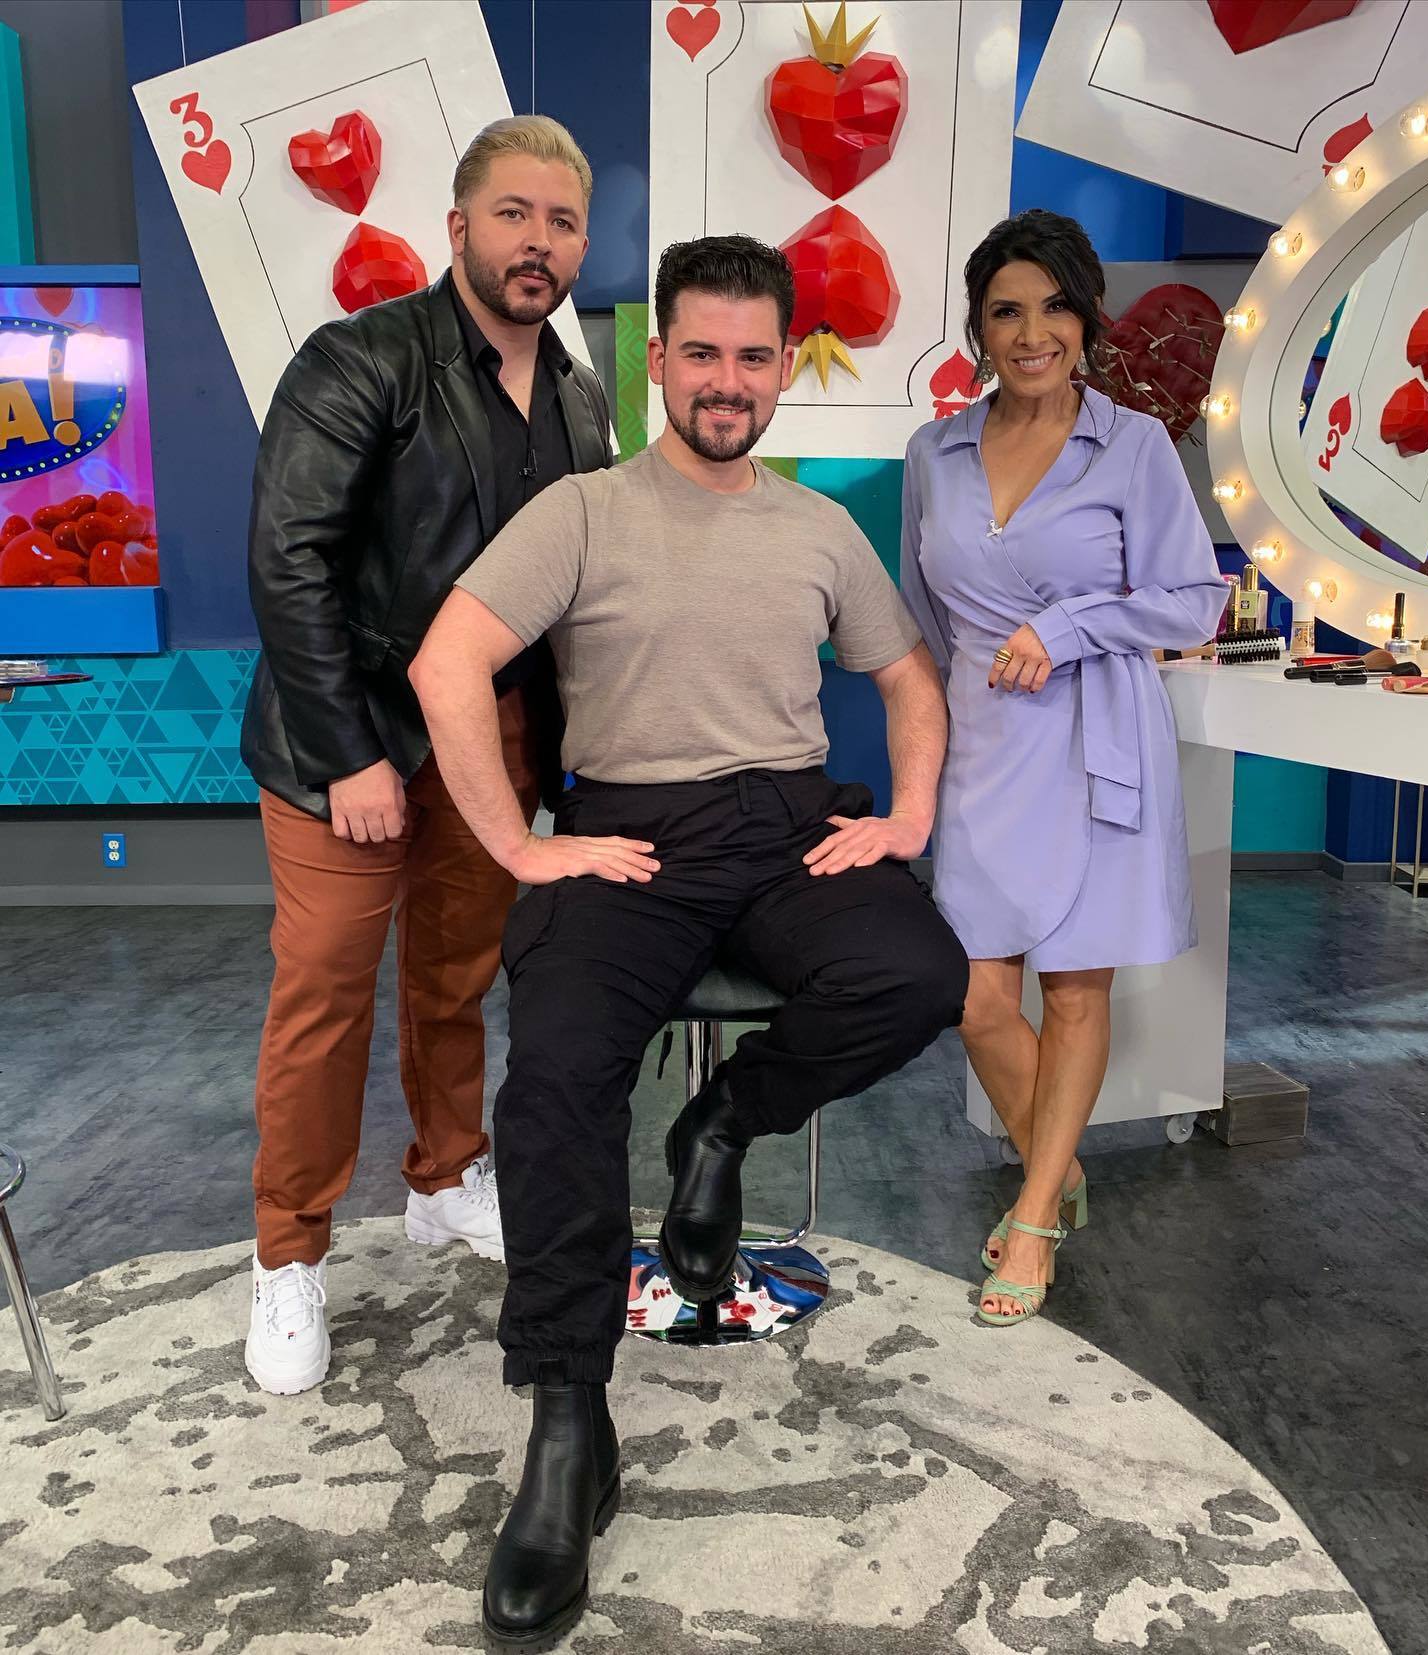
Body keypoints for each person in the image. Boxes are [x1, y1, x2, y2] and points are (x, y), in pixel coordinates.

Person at [409, 233, 970, 1649]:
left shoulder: (819, 529)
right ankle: (568, 1424)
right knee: (553, 1082)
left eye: (754, 356)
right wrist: (522, 845)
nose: (728, 380)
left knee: (919, 973)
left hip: (784, 825)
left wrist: (908, 814)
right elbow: (446, 660)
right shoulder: (584, 510)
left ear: (785, 369)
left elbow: (908, 675)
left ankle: (722, 1122)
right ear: (658, 359)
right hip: (631, 838)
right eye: (703, 352)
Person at [239, 116, 612, 1398]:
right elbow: (286, 560)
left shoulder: (579, 393)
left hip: (490, 743)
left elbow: (572, 588)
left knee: (456, 976)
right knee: (326, 995)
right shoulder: (360, 359)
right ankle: (288, 1251)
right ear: (458, 227)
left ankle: (446, 1177)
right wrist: (348, 751)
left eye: (562, 221)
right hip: (343, 734)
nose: (537, 242)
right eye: (514, 214)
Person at [901, 209, 1228, 1328]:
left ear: (1086, 319)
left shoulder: (1133, 446)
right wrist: (921, 752)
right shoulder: (934, 453)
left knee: (1075, 986)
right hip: (982, 746)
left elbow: (1194, 598)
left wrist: (1074, 623)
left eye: (1054, 308)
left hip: (1094, 739)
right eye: (1007, 311)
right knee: (972, 991)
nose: (1031, 333)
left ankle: (1037, 1213)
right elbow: (922, 616)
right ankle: (1061, 1160)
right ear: (979, 326)